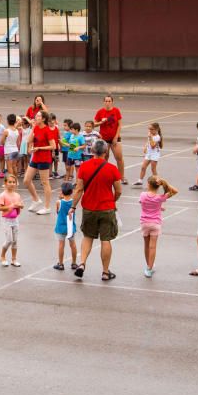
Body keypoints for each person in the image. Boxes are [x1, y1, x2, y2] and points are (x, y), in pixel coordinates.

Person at [69, 139, 121, 281]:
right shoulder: (112, 169)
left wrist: (73, 206)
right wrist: (113, 200)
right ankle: (105, 272)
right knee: (106, 240)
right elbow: (119, 190)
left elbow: (79, 189)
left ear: (92, 151)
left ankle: (82, 263)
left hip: (89, 208)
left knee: (88, 237)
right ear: (106, 152)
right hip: (106, 208)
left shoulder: (84, 167)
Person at [139, 176, 177, 278]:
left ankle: (148, 265)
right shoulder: (160, 197)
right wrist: (165, 182)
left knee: (146, 245)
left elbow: (142, 203)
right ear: (158, 186)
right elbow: (175, 191)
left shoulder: (142, 195)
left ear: (148, 184)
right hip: (155, 224)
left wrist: (158, 206)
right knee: (153, 246)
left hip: (144, 223)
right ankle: (149, 268)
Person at [23, 109, 55, 215]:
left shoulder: (47, 130)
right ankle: (36, 200)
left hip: (44, 158)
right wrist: (33, 128)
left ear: (44, 119)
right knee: (26, 180)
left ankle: (47, 207)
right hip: (35, 157)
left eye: (38, 116)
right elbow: (28, 141)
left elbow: (53, 146)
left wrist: (40, 148)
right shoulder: (36, 127)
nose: (36, 117)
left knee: (45, 182)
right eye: (36, 116)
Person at [93, 94, 125, 182]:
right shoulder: (100, 112)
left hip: (115, 137)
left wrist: (116, 136)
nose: (107, 103)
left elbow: (119, 125)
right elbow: (94, 124)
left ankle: (121, 177)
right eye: (106, 101)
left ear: (112, 102)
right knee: (104, 157)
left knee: (119, 157)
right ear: (104, 102)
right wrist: (100, 122)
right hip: (104, 138)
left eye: (109, 101)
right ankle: (104, 176)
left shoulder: (116, 111)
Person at [0, 173, 24, 267]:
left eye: (13, 182)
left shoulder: (17, 195)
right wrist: (11, 206)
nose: (12, 184)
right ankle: (2, 257)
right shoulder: (2, 195)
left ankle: (14, 259)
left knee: (15, 240)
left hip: (15, 219)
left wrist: (19, 205)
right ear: (5, 183)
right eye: (10, 182)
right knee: (9, 240)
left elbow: (22, 205)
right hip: (6, 220)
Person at [53, 182, 77, 271]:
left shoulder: (59, 202)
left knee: (61, 245)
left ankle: (61, 263)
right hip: (71, 226)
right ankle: (74, 263)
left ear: (62, 192)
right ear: (72, 192)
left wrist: (60, 198)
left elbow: (57, 211)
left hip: (61, 226)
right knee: (73, 245)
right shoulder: (73, 202)